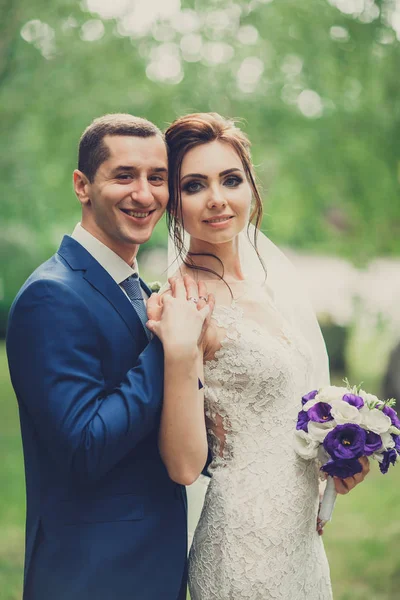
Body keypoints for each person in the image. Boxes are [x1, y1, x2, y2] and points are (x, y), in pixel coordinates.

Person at [150, 112, 370, 599]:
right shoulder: (184, 303)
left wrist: (334, 456)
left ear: (251, 184)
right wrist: (180, 350)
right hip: (243, 548)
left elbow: (281, 411)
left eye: (231, 179)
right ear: (173, 202)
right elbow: (185, 466)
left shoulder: (269, 285)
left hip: (300, 541)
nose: (217, 199)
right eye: (194, 185)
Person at [6, 113, 210, 600]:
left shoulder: (137, 289)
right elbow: (85, 447)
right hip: (92, 577)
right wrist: (170, 347)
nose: (144, 194)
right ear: (82, 185)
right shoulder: (50, 296)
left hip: (152, 571)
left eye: (157, 178)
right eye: (124, 176)